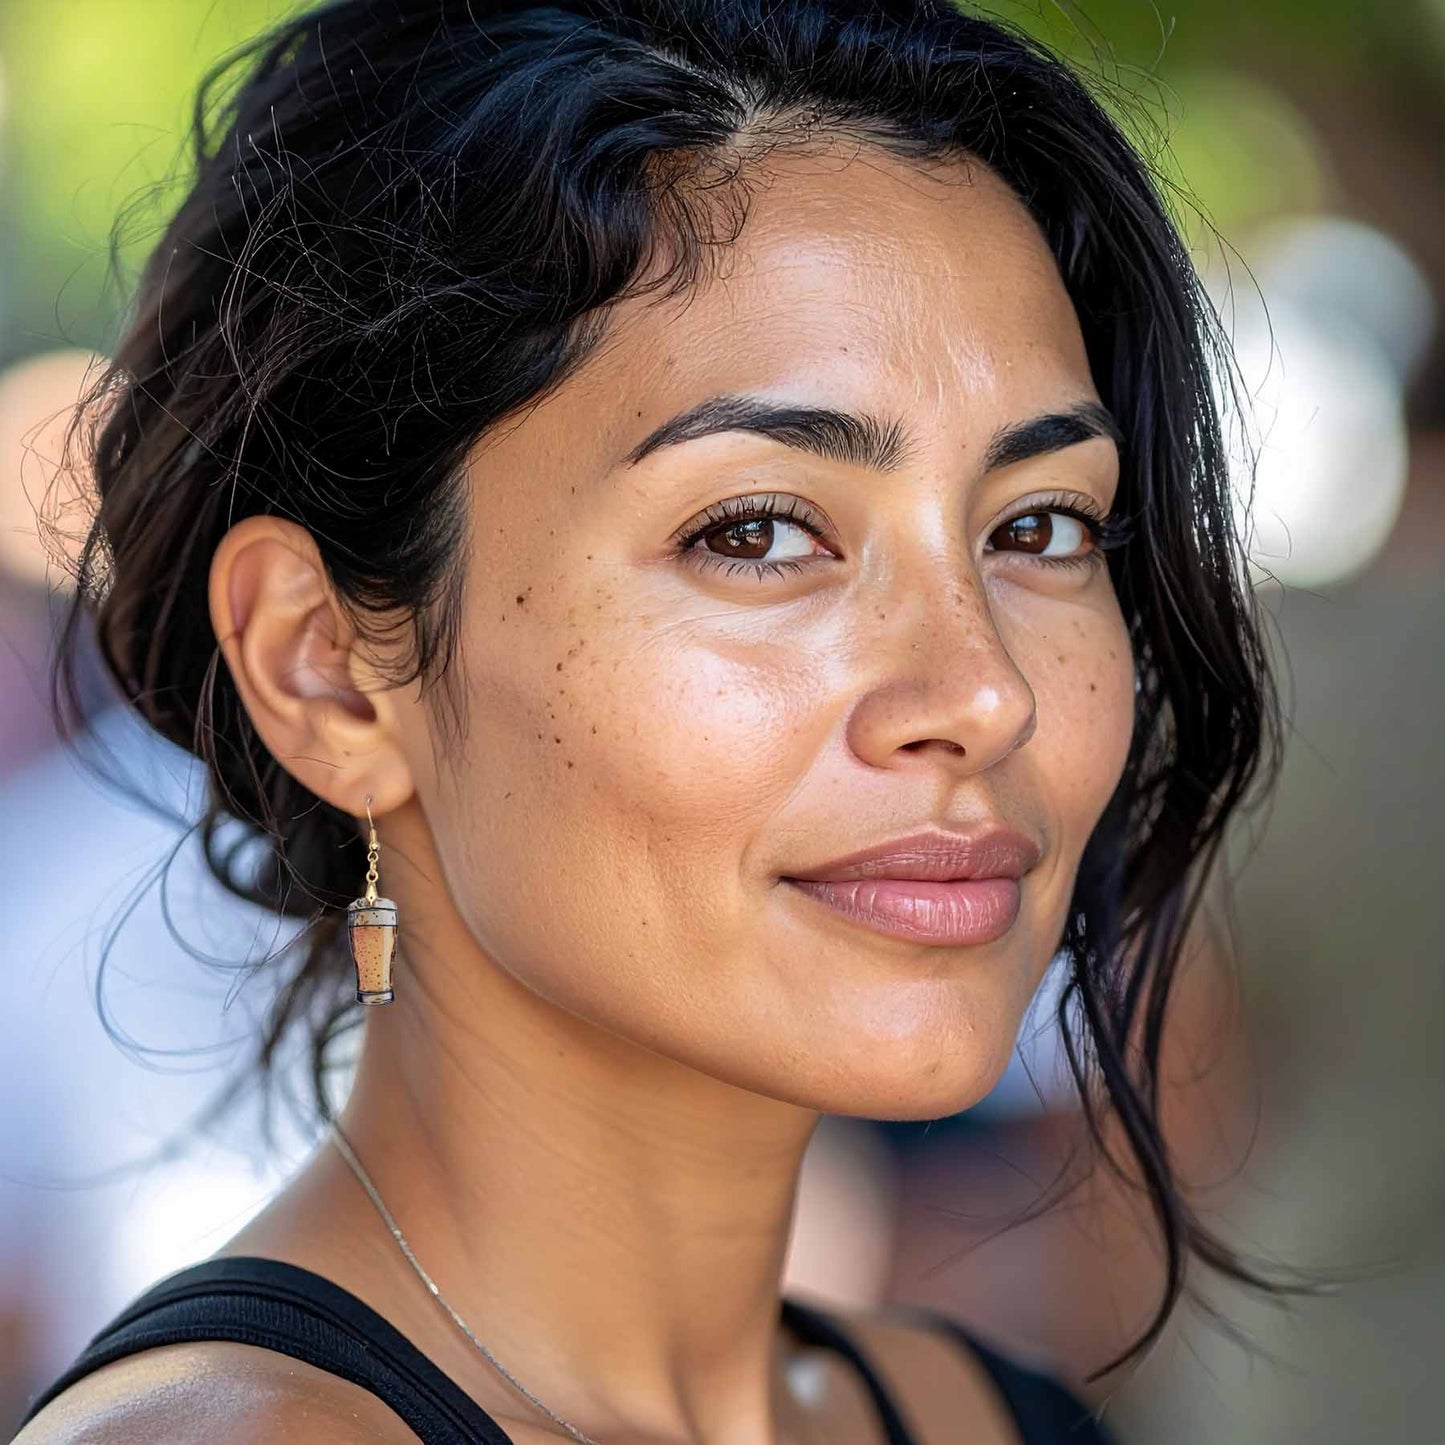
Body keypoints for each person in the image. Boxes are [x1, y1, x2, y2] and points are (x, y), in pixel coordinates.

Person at [14, 0, 1301, 1440]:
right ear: (327, 668)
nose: (983, 690)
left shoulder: (978, 1411)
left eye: (1042, 525)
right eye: (756, 532)